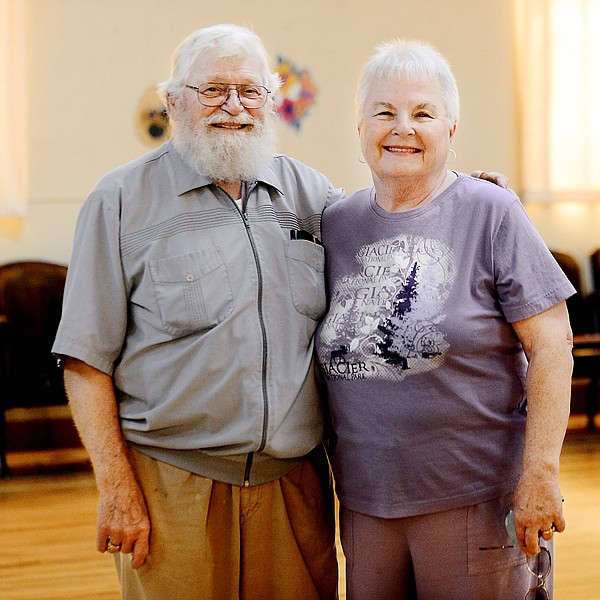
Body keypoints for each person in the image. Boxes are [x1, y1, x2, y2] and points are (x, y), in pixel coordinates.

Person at [52, 24, 342, 600]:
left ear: (271, 100)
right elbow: (85, 362)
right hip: (170, 491)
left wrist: (470, 197)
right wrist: (116, 491)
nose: (233, 106)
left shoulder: (315, 196)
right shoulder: (118, 202)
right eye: (213, 90)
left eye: (250, 91)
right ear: (174, 100)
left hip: (294, 488)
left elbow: (394, 235)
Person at [315, 40, 574, 600]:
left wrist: (542, 474)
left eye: (423, 113)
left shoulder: (492, 212)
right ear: (360, 129)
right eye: (384, 112)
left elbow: (553, 345)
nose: (401, 127)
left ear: (451, 130)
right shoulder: (336, 224)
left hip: (475, 498)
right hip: (364, 501)